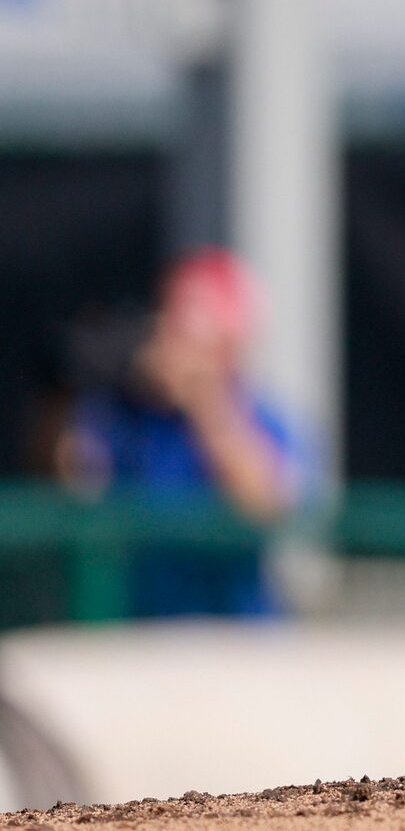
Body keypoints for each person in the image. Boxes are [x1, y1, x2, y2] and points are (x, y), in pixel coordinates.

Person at [57, 248, 305, 617]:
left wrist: (204, 398)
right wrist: (78, 382)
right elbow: (78, 487)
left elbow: (268, 506)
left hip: (238, 641)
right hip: (147, 638)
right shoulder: (131, 418)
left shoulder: (265, 417)